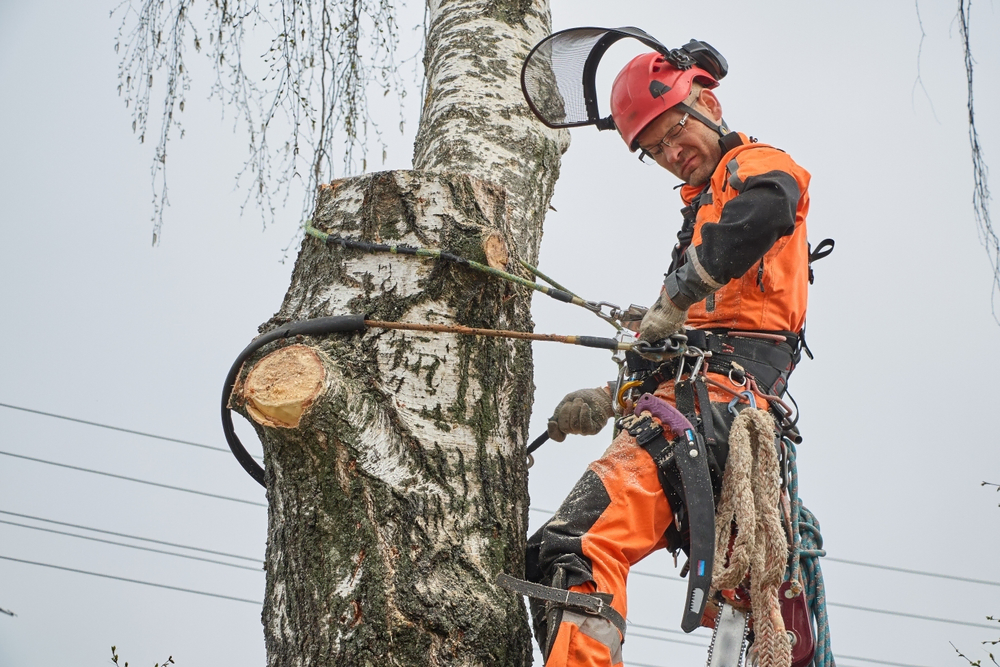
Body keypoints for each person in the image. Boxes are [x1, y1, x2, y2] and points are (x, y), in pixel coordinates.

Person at [522, 49, 813, 667]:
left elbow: (769, 205)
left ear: (705, 104)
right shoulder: (699, 217)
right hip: (703, 411)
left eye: (675, 132)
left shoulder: (753, 167)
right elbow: (671, 349)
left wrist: (681, 290)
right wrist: (609, 398)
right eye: (655, 149)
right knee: (745, 616)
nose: (672, 153)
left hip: (716, 411)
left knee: (575, 547)